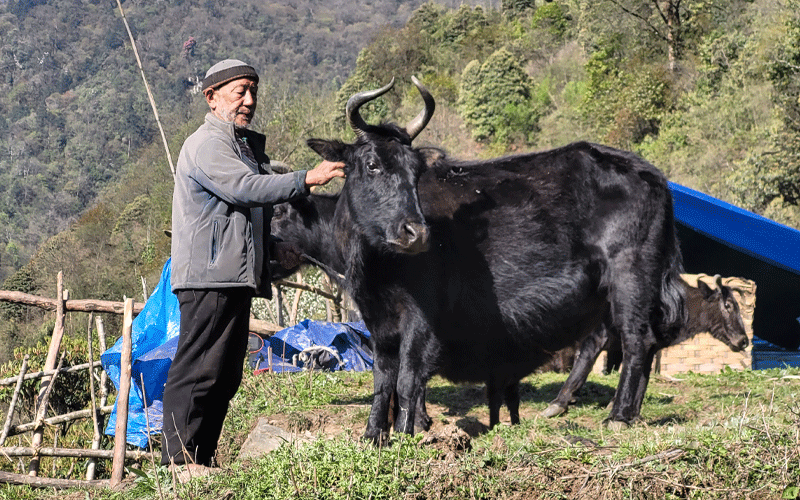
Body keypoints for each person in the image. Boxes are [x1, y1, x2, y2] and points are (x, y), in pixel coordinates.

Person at [162, 59, 344, 473]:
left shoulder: (237, 145)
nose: (248, 100)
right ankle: (175, 465)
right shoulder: (208, 144)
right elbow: (245, 190)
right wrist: (306, 179)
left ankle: (200, 462)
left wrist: (274, 248)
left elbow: (240, 217)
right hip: (208, 278)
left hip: (232, 276)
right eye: (239, 91)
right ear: (212, 97)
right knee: (198, 371)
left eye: (253, 92)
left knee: (224, 376)